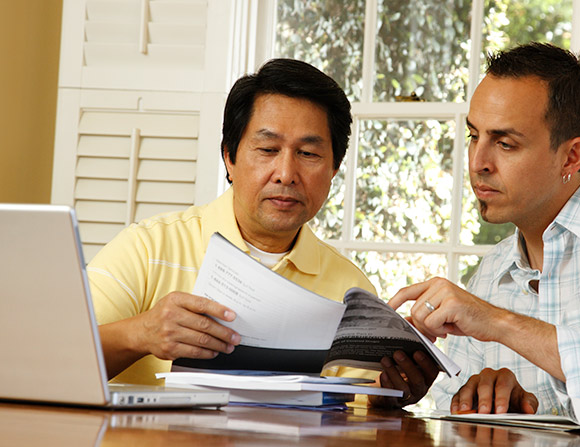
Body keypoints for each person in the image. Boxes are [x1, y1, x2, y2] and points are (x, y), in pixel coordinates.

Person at [384, 42, 580, 415]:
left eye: (505, 143)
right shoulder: (490, 276)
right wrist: (466, 402)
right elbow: (449, 423)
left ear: (572, 156)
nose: (478, 162)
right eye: (474, 135)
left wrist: (500, 323)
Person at [87, 58, 378, 385]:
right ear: (230, 157)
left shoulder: (353, 293)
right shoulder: (147, 248)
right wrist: (140, 333)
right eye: (268, 149)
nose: (285, 174)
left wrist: (400, 395)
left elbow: (363, 415)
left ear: (333, 171)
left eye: (308, 154)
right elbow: (55, 359)